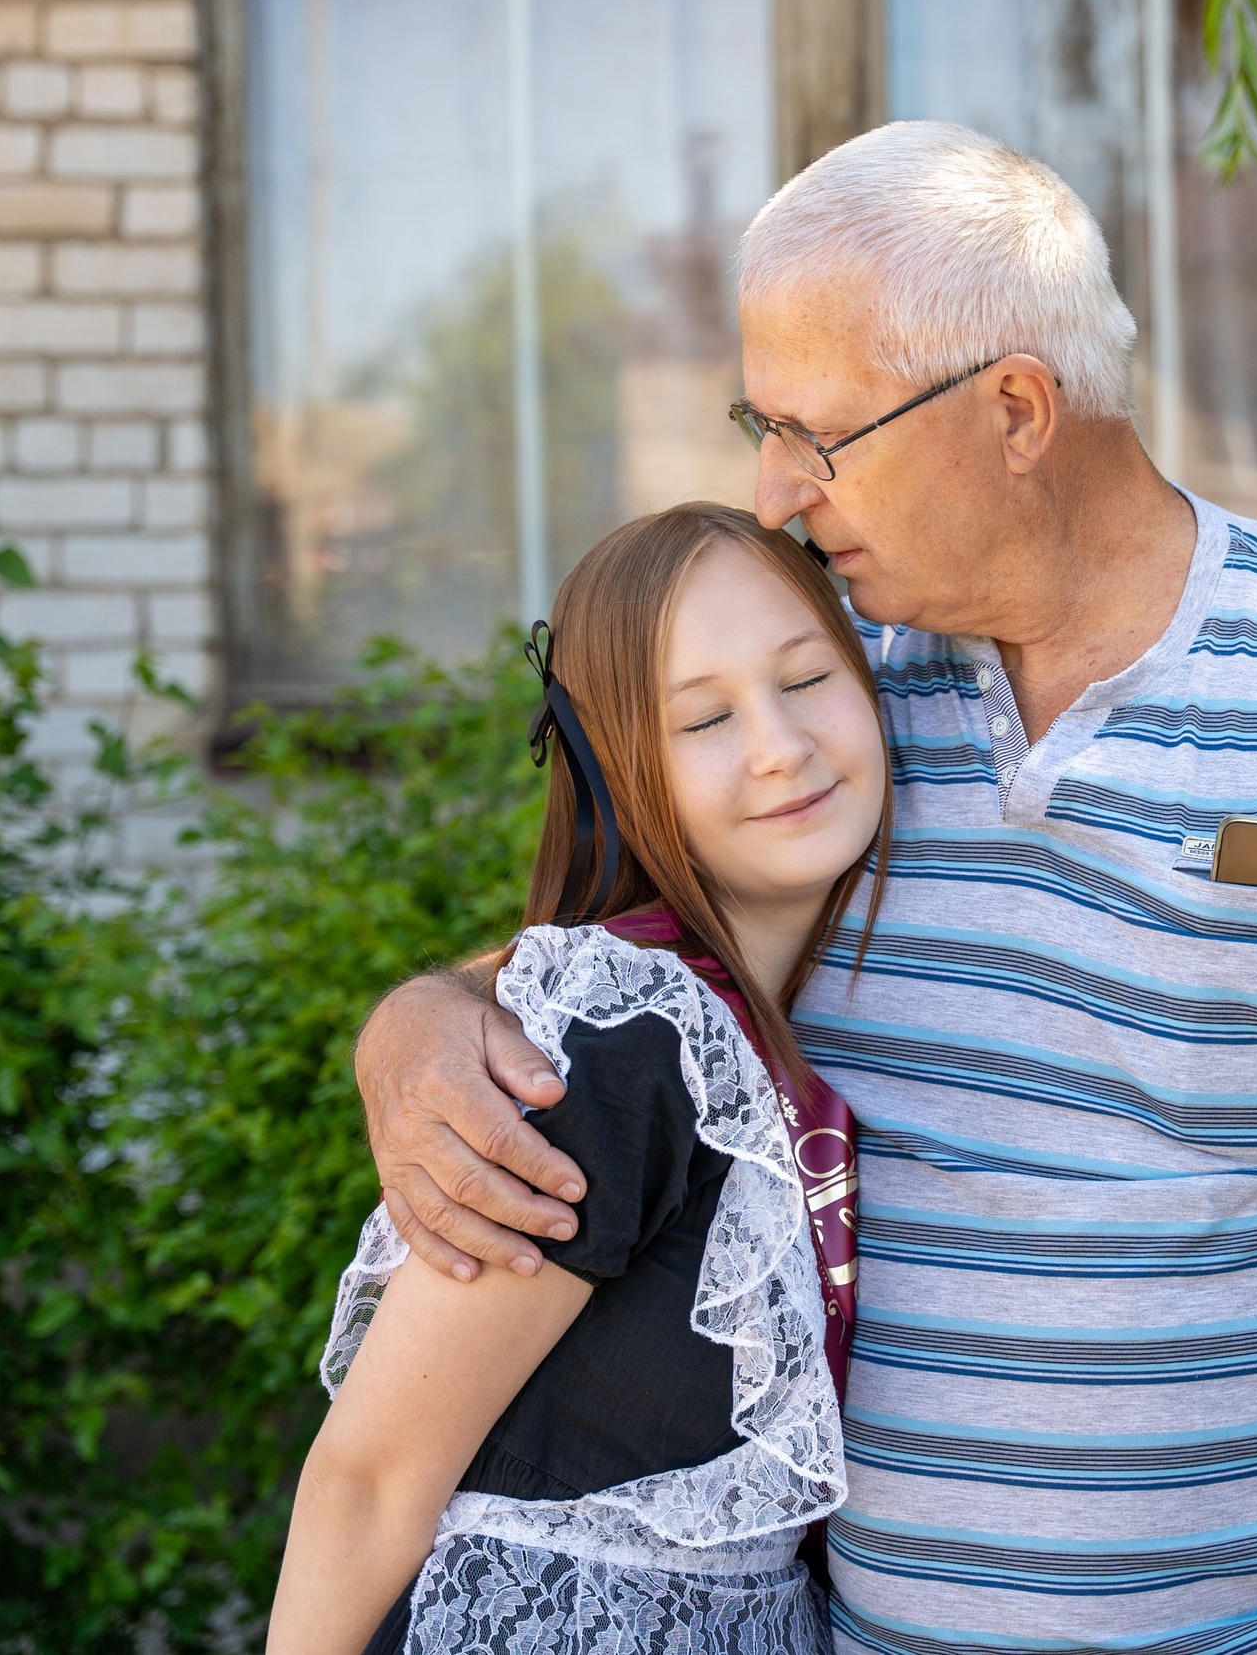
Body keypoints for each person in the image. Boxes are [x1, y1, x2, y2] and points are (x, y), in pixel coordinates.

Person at [355, 122, 1257, 1655]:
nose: (775, 491)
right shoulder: (836, 707)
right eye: (758, 422)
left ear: (1012, 409)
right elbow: (637, 954)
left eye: (815, 432)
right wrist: (418, 1024)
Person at [270, 504, 890, 1655]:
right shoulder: (624, 1049)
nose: (779, 746)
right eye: (705, 717)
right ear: (618, 772)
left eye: (807, 679)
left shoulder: (786, 1010)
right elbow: (369, 1477)